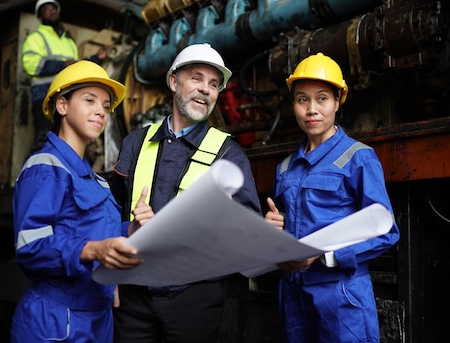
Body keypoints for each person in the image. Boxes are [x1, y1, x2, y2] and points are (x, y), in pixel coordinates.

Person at [111, 43, 262, 342]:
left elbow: (245, 234)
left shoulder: (229, 156)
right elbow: (109, 212)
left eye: (214, 84)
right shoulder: (135, 144)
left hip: (193, 297)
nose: (205, 89)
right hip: (133, 294)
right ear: (173, 82)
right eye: (196, 77)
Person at [264, 52, 400, 343]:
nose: (312, 109)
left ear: (338, 101)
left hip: (340, 299)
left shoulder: (358, 158)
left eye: (322, 98)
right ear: (293, 105)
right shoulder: (285, 167)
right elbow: (292, 226)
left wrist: (326, 256)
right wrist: (274, 227)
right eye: (302, 99)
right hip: (293, 296)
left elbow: (386, 231)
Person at [10, 60, 143, 343]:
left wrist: (132, 229)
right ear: (62, 106)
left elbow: (97, 234)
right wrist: (94, 251)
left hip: (96, 319)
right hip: (56, 323)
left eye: (106, 106)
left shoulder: (95, 180)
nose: (101, 111)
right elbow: (30, 245)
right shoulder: (45, 167)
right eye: (89, 100)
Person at [22, 0, 106, 144]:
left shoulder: (69, 42)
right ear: (40, 16)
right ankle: (38, 168)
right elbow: (31, 65)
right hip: (45, 96)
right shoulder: (35, 38)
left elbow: (77, 67)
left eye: (54, 9)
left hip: (68, 96)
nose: (52, 12)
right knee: (44, 139)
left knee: (66, 141)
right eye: (47, 10)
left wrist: (97, 59)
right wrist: (63, 64)